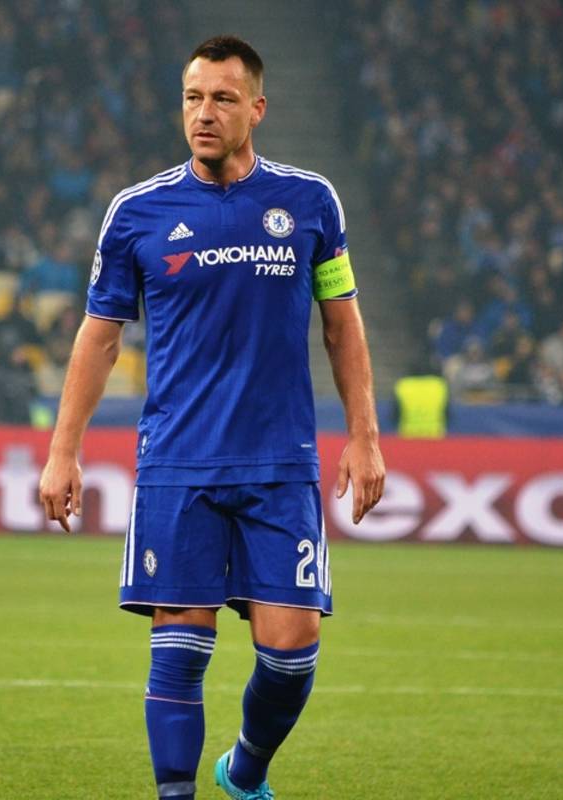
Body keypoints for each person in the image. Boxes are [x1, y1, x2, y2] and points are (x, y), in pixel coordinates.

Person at [38, 36, 385, 800]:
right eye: (193, 98)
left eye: (223, 99)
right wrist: (63, 451)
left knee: (291, 652)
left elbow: (342, 324)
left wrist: (364, 437)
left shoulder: (310, 203)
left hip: (279, 463)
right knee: (178, 652)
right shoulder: (137, 212)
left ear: (257, 109)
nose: (204, 113)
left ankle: (245, 769)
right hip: (177, 463)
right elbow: (99, 336)